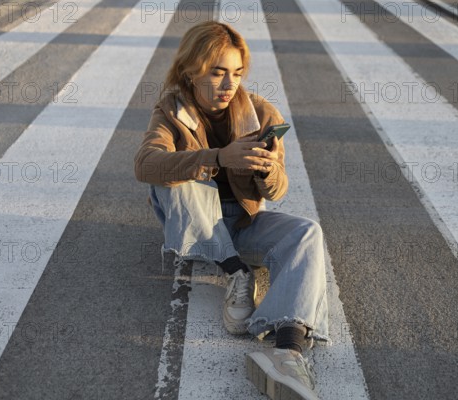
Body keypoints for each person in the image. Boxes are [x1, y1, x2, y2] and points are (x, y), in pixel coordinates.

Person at [134, 20, 330, 400]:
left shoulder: (260, 113)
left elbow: (280, 189)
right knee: (173, 178)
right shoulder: (171, 111)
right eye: (217, 72)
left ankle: (287, 351)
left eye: (237, 73)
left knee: (307, 232)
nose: (229, 85)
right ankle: (236, 272)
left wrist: (267, 170)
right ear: (191, 70)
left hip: (242, 222)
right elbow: (145, 164)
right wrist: (218, 157)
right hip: (197, 218)